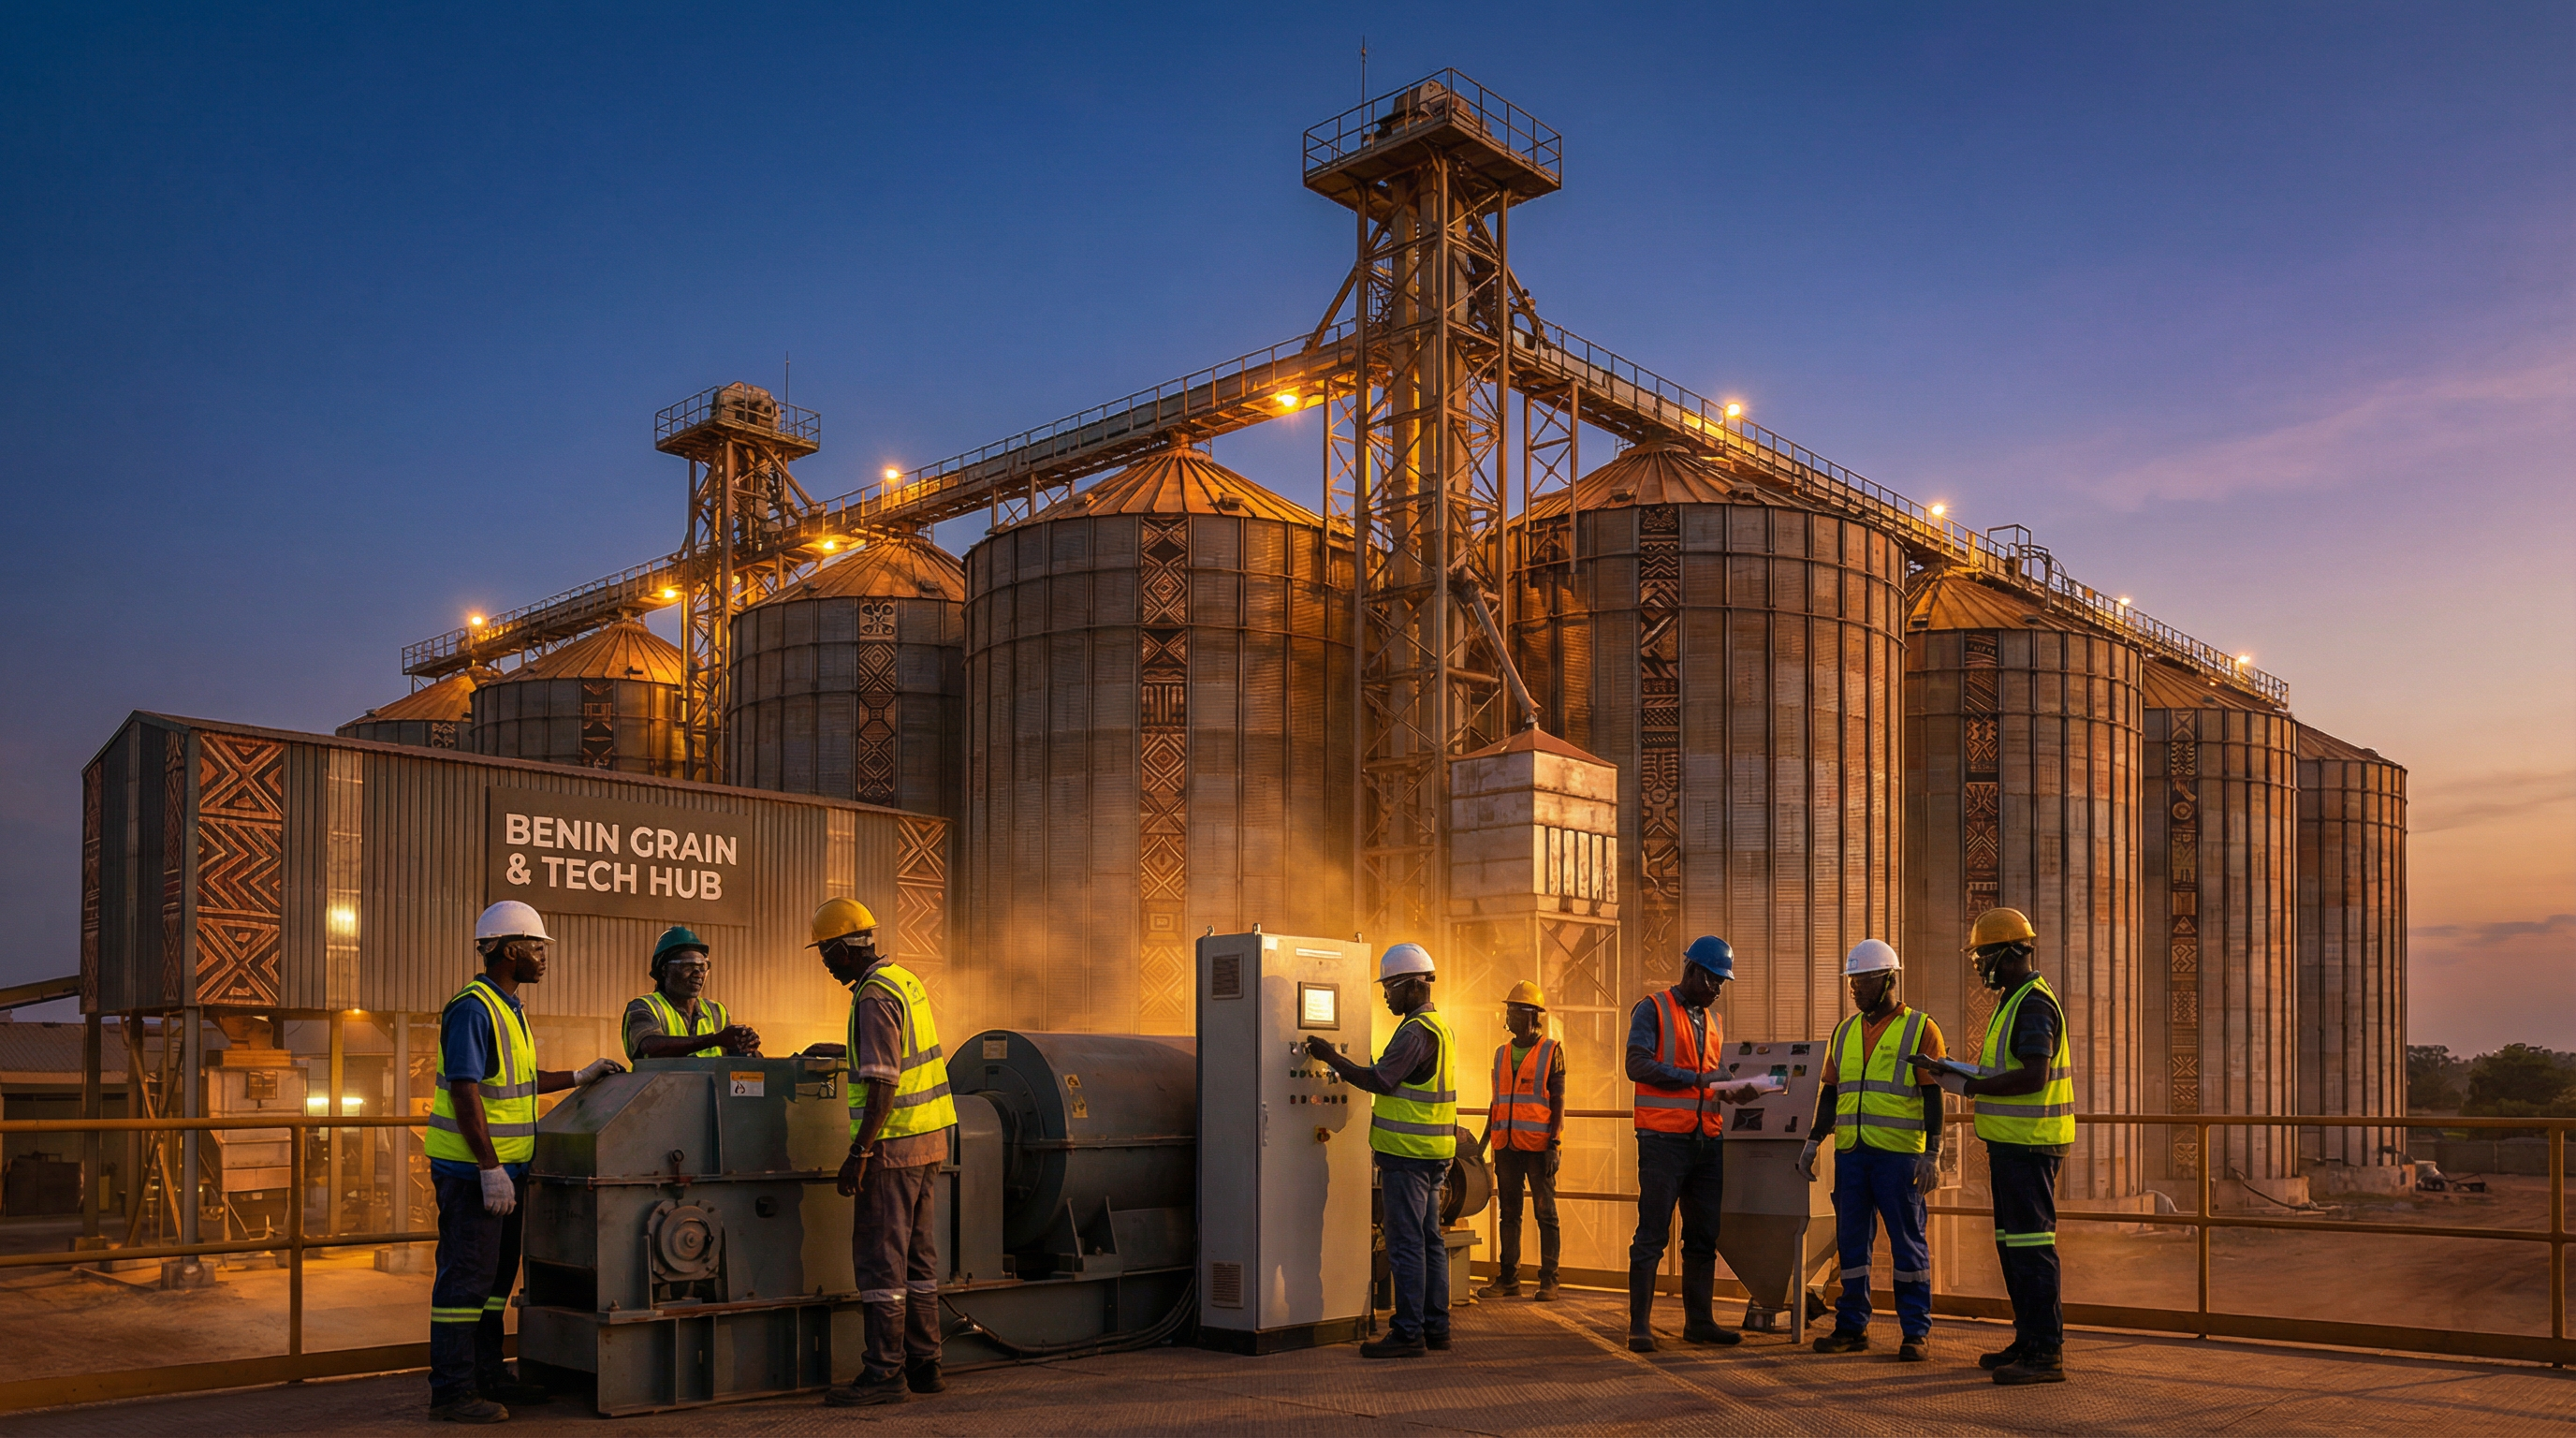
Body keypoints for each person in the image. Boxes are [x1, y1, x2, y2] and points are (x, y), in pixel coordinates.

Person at [425, 901, 622, 1424]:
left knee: (492, 1286)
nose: (543, 956)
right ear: (510, 950)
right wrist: (488, 1168)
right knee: (464, 1284)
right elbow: (466, 1093)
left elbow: (516, 1084)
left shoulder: (508, 1007)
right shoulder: (473, 1008)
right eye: (536, 946)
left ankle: (487, 1375)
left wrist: (579, 1077)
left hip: (506, 1174)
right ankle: (450, 1392)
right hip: (473, 1175)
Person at [1912, 906, 2074, 1387]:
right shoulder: (2015, 1000)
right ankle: (2028, 1339)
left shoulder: (2033, 1004)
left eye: (1983, 955)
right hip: (2011, 1147)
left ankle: (2046, 1352)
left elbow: (2033, 1075)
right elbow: (2004, 1071)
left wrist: (1975, 1089)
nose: (1980, 965)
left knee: (2032, 1248)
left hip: (2031, 1147)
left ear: (2007, 954)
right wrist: (1955, 1074)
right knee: (2013, 1247)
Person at [808, 898, 959, 1407]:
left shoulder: (871, 997)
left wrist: (859, 1152)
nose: (826, 965)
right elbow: (894, 1052)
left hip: (892, 1148)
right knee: (918, 1259)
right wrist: (839, 1050)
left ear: (844, 948)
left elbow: (883, 1083)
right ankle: (925, 1365)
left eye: (826, 954)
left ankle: (883, 1373)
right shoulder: (902, 980)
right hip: (930, 1139)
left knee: (881, 1263)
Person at [1305, 942, 1456, 1359]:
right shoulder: (1440, 1027)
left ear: (1411, 986)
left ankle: (1408, 1333)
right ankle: (1435, 1328)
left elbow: (1381, 1081)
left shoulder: (1414, 1032)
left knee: (1407, 1243)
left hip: (1406, 1155)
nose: (1386, 995)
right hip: (1433, 1153)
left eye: (1389, 988)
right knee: (1429, 1241)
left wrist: (1331, 1057)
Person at [1801, 939, 1946, 1361]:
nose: (1857, 990)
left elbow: (1934, 1096)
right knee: (1851, 1245)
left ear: (1889, 980)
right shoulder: (1844, 1032)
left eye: (1864, 982)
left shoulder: (1921, 1029)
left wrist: (1933, 1154)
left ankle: (1915, 1331)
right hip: (1851, 1155)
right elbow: (1831, 1091)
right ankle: (1851, 1326)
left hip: (1899, 1157)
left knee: (1907, 1244)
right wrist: (1814, 1139)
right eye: (1853, 984)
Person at [1625, 935, 1764, 1353]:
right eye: (1714, 980)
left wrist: (1732, 1089)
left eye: (1723, 983)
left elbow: (1707, 1074)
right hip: (1663, 1140)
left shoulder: (1713, 1020)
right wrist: (1699, 1080)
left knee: (1703, 1236)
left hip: (1706, 1141)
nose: (1718, 989)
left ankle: (1699, 1323)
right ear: (1691, 971)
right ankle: (1639, 1327)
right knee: (1652, 1235)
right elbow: (1636, 1064)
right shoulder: (1652, 1009)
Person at [1475, 980, 1565, 1302]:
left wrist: (1555, 1144)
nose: (1509, 1016)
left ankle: (1549, 1280)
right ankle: (1508, 1279)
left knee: (1546, 1213)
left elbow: (1558, 1100)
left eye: (1515, 1010)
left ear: (1532, 1015)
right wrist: (1484, 1142)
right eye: (1508, 1010)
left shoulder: (1551, 1051)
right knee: (1509, 1213)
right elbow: (1496, 1101)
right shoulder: (1501, 1054)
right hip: (1506, 1146)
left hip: (1539, 1147)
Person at [622, 925, 761, 1062]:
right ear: (664, 970)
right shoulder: (643, 1007)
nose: (698, 974)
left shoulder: (716, 1011)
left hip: (708, 1085)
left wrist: (747, 1047)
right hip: (658, 1085)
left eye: (703, 967)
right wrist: (714, 1040)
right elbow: (651, 1047)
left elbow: (733, 1054)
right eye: (689, 966)